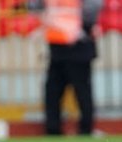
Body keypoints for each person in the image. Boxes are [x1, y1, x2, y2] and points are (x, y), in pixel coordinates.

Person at [43, 0, 102, 135]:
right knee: (54, 91)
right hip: (59, 46)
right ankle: (53, 128)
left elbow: (91, 10)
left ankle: (85, 128)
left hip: (79, 47)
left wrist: (84, 27)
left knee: (80, 92)